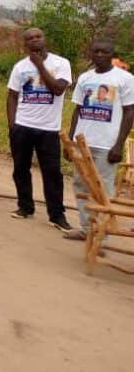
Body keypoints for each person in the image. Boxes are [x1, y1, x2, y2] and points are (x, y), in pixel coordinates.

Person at [64, 38, 134, 241]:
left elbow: (130, 112)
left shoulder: (125, 79)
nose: (100, 55)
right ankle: (87, 228)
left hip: (107, 145)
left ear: (112, 54)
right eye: (96, 52)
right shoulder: (85, 78)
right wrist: (69, 142)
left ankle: (102, 237)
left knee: (103, 189)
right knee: (80, 184)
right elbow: (77, 110)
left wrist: (119, 144)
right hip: (83, 142)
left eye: (104, 52)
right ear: (91, 54)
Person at [5, 27, 72, 229]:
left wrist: (40, 65)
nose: (35, 40)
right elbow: (12, 95)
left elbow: (58, 89)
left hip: (49, 129)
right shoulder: (20, 67)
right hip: (23, 126)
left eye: (38, 37)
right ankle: (25, 207)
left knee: (52, 172)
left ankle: (57, 216)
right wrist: (12, 125)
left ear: (44, 39)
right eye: (30, 39)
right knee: (20, 169)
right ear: (25, 44)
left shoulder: (61, 63)